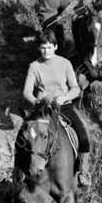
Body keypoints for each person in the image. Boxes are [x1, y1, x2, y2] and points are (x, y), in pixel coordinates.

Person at [23, 33, 92, 188]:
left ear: (55, 47)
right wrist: (37, 101)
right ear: (38, 48)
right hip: (43, 108)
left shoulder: (65, 63)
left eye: (49, 47)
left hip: (63, 105)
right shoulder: (34, 66)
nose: (46, 51)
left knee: (83, 133)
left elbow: (75, 88)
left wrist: (64, 97)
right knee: (24, 136)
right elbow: (26, 92)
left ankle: (83, 171)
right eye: (43, 48)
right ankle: (18, 170)